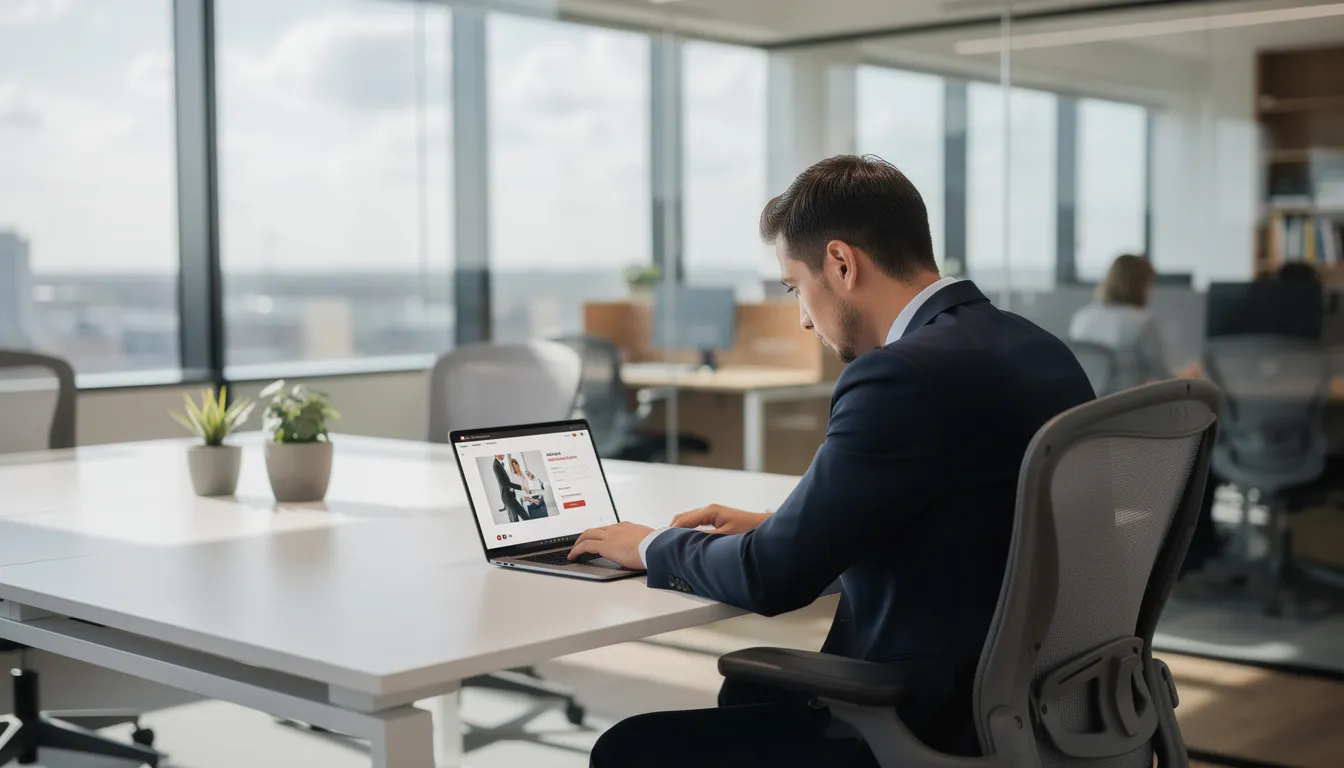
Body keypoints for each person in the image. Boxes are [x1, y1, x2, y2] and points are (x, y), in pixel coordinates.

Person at [567, 154, 1095, 767]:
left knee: (627, 748)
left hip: (927, 721)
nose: (800, 316)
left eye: (796, 287)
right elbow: (969, 516)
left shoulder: (899, 376)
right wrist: (783, 525)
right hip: (1041, 704)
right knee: (752, 687)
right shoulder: (1036, 347)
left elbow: (771, 578)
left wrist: (652, 544)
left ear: (841, 263)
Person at [1067, 253, 1170, 393]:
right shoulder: (1144, 321)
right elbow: (1164, 377)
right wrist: (1188, 378)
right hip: (1123, 408)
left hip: (1084, 408)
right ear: (1141, 284)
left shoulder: (1082, 317)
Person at [491, 454, 529, 523]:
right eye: (501, 453)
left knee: (524, 515)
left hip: (510, 496)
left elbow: (507, 481)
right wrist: (521, 487)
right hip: (507, 498)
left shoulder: (500, 463)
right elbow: (502, 483)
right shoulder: (496, 465)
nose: (503, 455)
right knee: (515, 519)